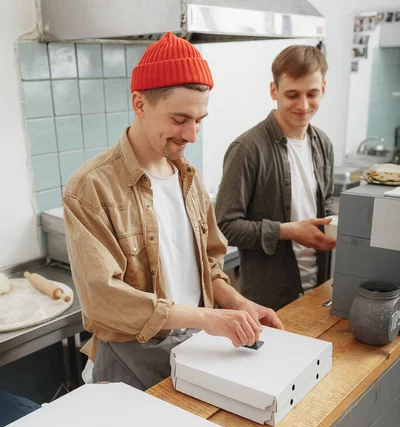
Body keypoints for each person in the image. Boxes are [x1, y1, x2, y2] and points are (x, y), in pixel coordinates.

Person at [63, 32, 283, 391]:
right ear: (140, 103)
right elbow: (105, 300)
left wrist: (239, 304)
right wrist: (209, 319)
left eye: (200, 120)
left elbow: (208, 267)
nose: (192, 135)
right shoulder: (91, 188)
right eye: (180, 119)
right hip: (127, 367)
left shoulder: (188, 179)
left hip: (192, 350)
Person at [215, 45, 336, 311]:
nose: (303, 105)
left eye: (312, 94)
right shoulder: (247, 149)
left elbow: (325, 205)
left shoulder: (323, 144)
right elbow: (225, 226)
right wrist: (288, 231)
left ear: (323, 90)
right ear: (274, 91)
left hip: (320, 290)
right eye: (292, 94)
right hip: (270, 302)